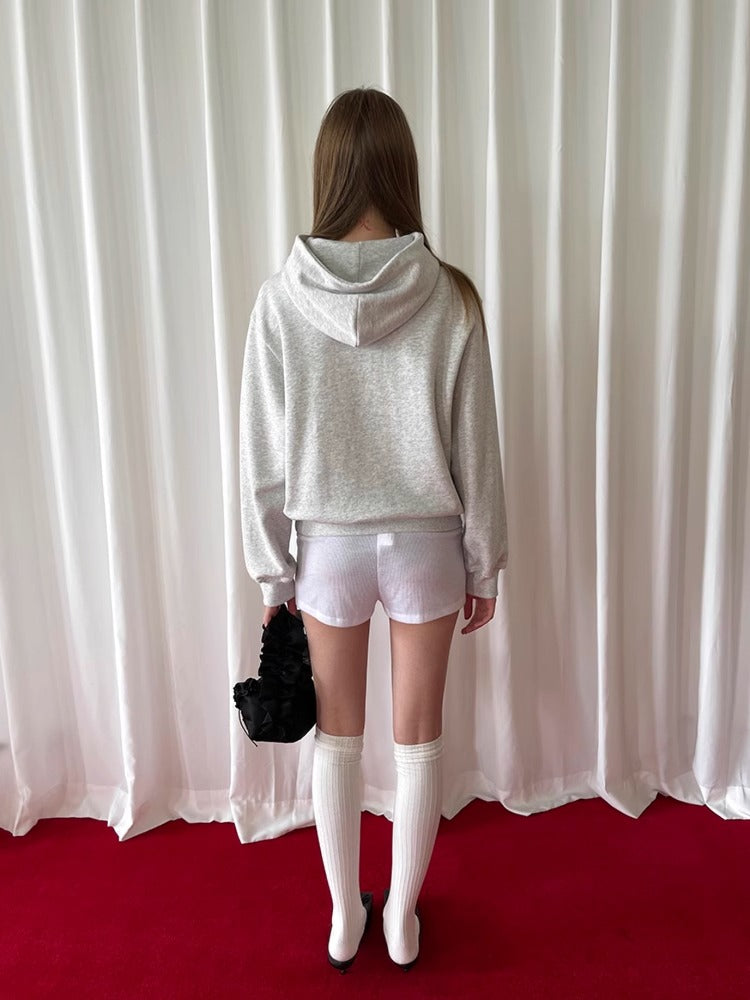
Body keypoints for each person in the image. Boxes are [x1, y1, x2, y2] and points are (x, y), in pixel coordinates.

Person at [239, 85, 508, 973]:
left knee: (340, 739)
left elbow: (262, 460)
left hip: (329, 549)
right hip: (428, 545)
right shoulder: (451, 296)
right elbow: (476, 446)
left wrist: (273, 573)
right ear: (402, 169)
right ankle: (400, 919)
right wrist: (484, 562)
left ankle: (342, 921)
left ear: (328, 172)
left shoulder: (281, 302)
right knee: (418, 737)